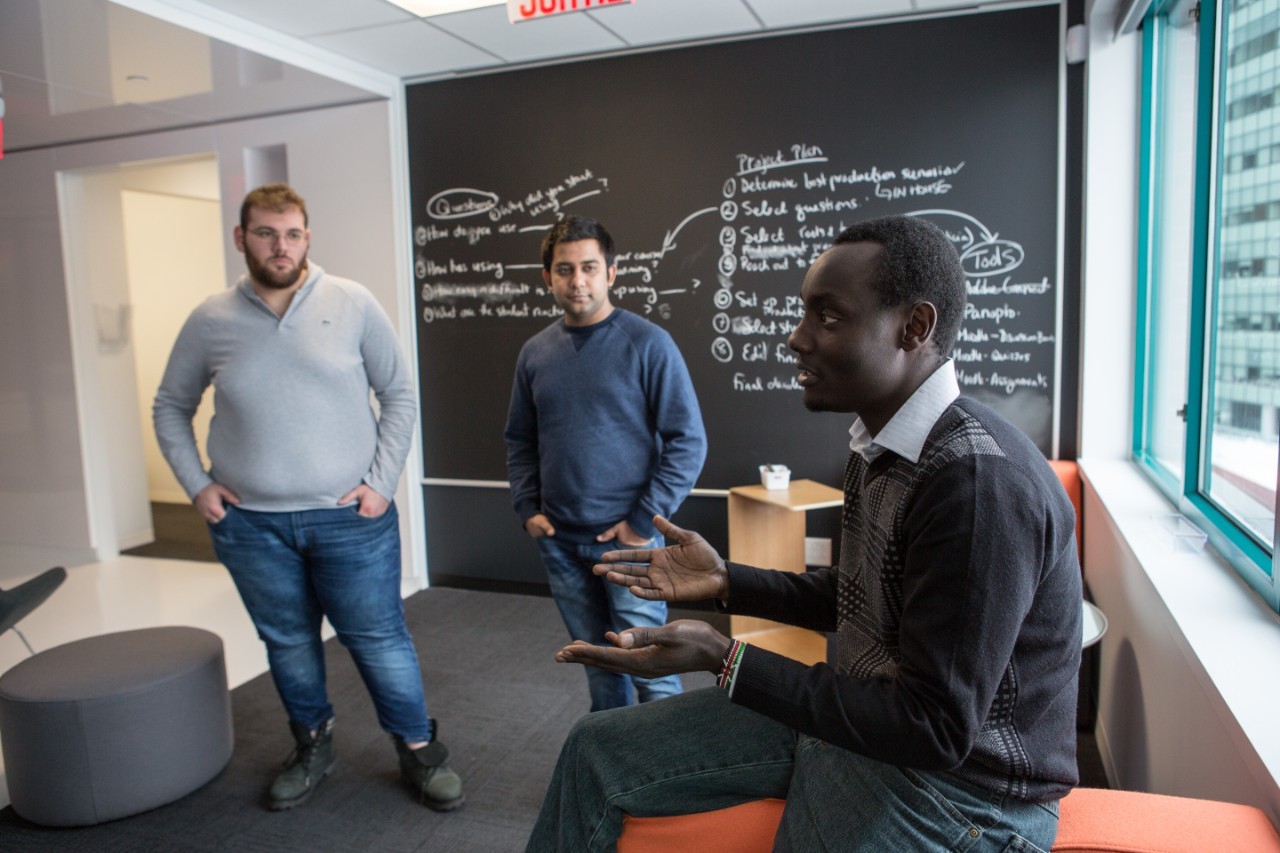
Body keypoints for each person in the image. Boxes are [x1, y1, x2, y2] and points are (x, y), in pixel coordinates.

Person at [527, 215, 1082, 851]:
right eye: (804, 314)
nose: (796, 338)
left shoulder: (977, 486)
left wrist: (725, 657)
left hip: (960, 795)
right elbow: (860, 596)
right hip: (868, 720)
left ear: (915, 327)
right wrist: (728, 582)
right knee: (594, 748)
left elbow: (933, 729)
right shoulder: (882, 442)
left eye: (828, 317)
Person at [153, 183, 463, 813]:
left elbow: (400, 394)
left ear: (307, 237)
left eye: (293, 233)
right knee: (288, 644)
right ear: (241, 238)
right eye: (266, 232)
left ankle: (417, 749)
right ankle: (312, 743)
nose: (281, 245)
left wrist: (380, 484)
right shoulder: (210, 320)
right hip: (250, 526)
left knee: (377, 639)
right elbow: (170, 407)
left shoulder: (351, 302)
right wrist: (197, 484)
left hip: (350, 519)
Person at [504, 214, 708, 711]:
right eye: (565, 269)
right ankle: (612, 769)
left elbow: (689, 441)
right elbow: (520, 439)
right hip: (560, 541)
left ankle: (671, 781)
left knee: (652, 668)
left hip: (630, 547)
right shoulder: (535, 353)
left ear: (611, 273)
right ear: (547, 277)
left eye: (590, 268)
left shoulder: (648, 344)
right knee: (597, 664)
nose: (578, 281)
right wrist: (527, 506)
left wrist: (640, 524)